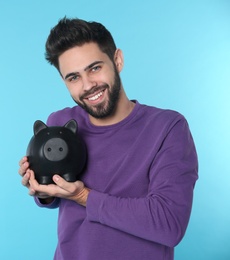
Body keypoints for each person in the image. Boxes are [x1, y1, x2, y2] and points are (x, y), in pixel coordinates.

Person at [18, 17, 198, 260]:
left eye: (95, 68)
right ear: (64, 81)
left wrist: (83, 197)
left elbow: (169, 223)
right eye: (74, 77)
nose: (88, 85)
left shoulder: (167, 128)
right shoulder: (59, 122)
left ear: (117, 60)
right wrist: (40, 186)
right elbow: (52, 196)